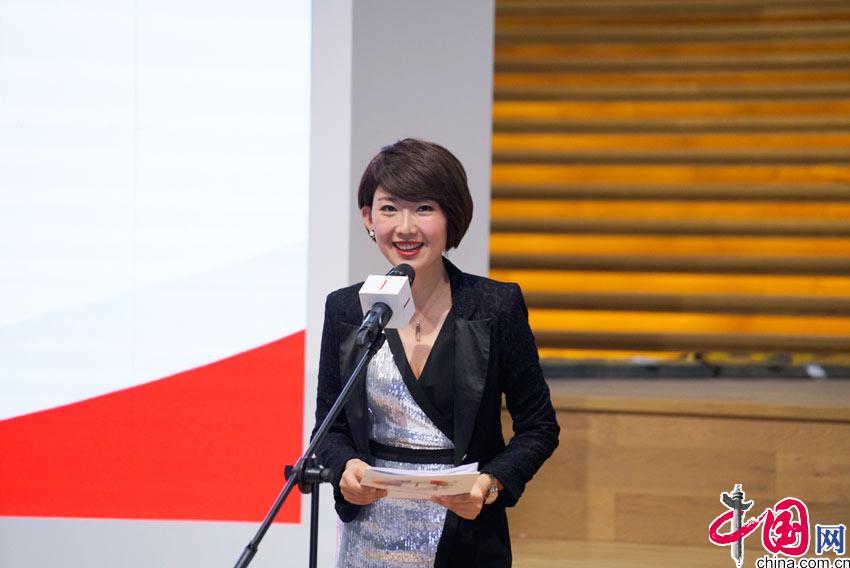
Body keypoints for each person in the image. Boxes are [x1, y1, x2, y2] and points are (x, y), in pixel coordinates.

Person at [312, 138, 560, 567]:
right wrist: (345, 468)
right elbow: (328, 429)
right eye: (389, 209)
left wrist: (490, 484)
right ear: (368, 217)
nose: (405, 227)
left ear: (451, 216)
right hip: (369, 537)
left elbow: (539, 427)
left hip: (465, 534)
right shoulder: (346, 309)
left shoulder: (495, 307)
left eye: (424, 208)